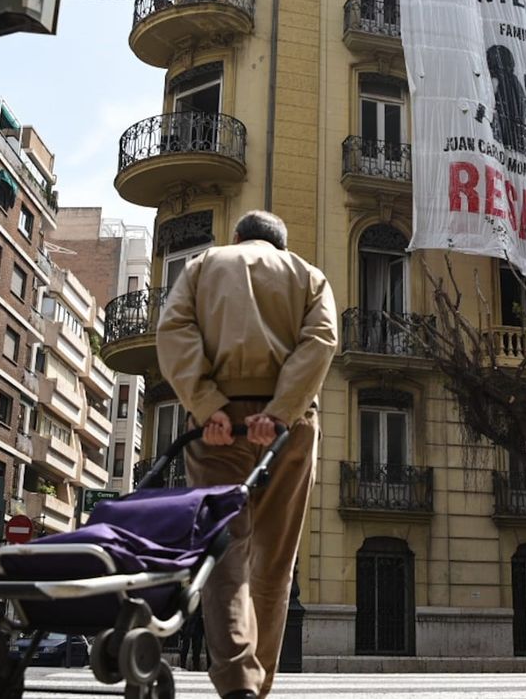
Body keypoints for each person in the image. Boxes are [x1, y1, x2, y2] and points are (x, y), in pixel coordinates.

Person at [157, 210, 337, 699]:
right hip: (290, 428)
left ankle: (237, 682)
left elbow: (174, 331)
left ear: (236, 237)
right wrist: (279, 412)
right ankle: (260, 687)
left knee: (225, 553)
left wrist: (207, 404)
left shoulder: (204, 265)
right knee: (275, 563)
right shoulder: (309, 276)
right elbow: (320, 342)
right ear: (281, 244)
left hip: (217, 426)